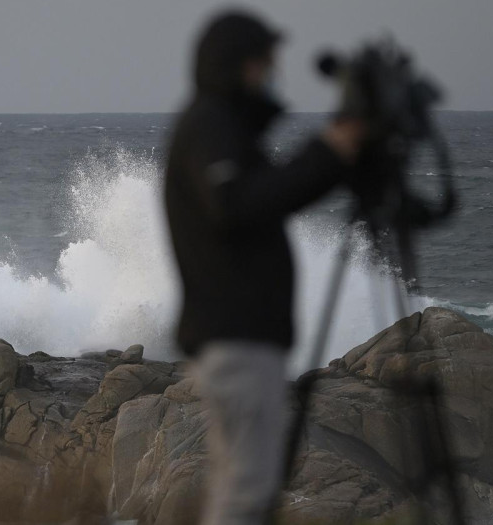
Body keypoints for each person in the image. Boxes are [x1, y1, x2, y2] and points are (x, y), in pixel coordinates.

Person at [163, 9, 364, 525]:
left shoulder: (222, 127)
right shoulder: (211, 123)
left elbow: (268, 196)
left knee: (245, 486)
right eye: (264, 64)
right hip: (236, 338)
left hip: (241, 338)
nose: (272, 74)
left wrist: (332, 158)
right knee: (248, 492)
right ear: (237, 67)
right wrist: (325, 153)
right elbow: (235, 203)